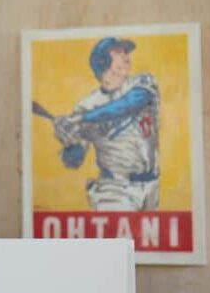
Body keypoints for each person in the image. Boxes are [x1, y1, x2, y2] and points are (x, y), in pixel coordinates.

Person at [42, 37, 160, 211]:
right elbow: (73, 161)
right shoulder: (86, 105)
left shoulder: (142, 82)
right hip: (114, 190)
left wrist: (83, 119)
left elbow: (131, 102)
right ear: (104, 62)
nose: (126, 56)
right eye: (119, 52)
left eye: (125, 52)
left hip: (152, 185)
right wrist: (69, 141)